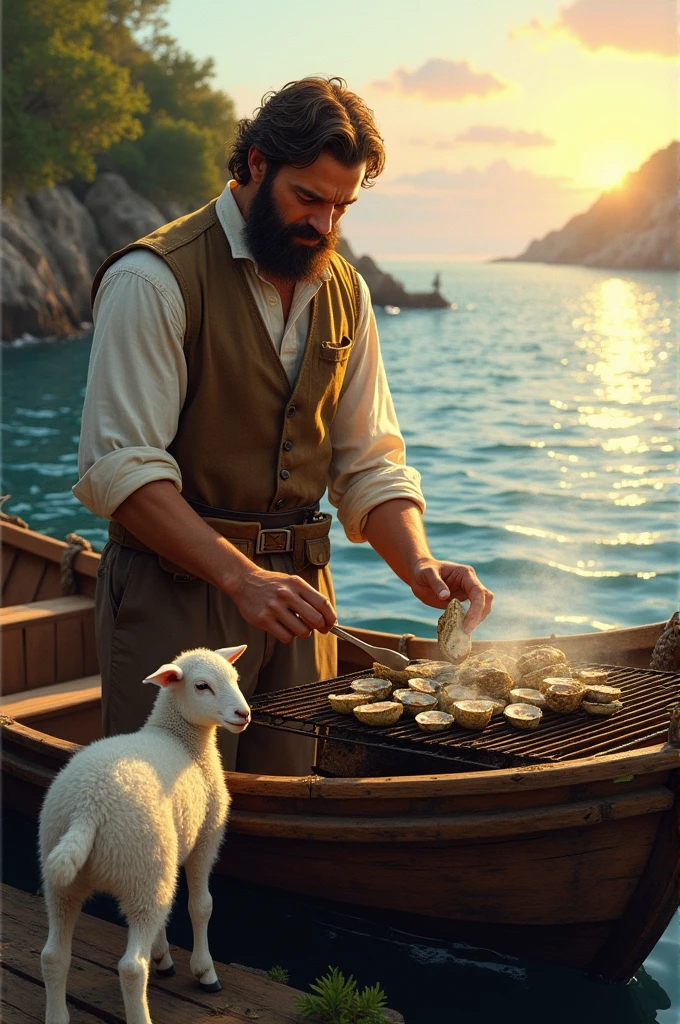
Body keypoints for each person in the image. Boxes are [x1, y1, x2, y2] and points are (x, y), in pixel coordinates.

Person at [74, 76, 493, 775]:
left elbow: (369, 465)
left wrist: (420, 567)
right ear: (257, 163)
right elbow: (122, 470)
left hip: (303, 603)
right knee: (166, 821)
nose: (326, 224)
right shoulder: (153, 281)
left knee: (292, 796)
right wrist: (241, 580)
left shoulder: (345, 290)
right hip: (176, 601)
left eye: (342, 206)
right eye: (309, 198)